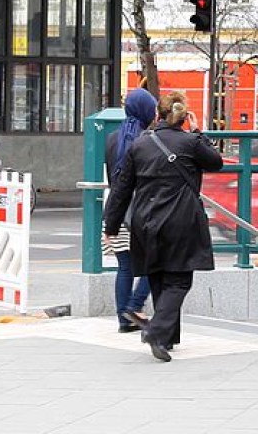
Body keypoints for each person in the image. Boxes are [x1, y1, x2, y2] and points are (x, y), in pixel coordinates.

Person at [104, 91, 223, 362]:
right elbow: (215, 162)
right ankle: (158, 332)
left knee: (158, 277)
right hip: (181, 220)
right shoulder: (190, 142)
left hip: (145, 220)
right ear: (183, 116)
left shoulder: (140, 145)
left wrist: (111, 225)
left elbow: (122, 189)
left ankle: (168, 338)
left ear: (158, 114)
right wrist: (199, 133)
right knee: (179, 280)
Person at [103, 88, 157, 333]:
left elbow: (113, 181)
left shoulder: (113, 138)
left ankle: (123, 319)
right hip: (142, 211)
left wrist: (110, 220)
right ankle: (134, 306)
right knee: (155, 263)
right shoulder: (148, 140)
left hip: (117, 209)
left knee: (124, 266)